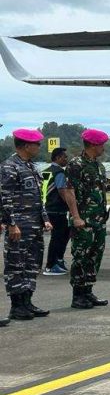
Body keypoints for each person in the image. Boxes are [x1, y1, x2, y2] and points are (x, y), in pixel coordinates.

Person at [1, 129, 53, 321]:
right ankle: (17, 306)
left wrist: (45, 218)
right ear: (25, 146)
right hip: (19, 225)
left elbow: (39, 197)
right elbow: (4, 198)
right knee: (16, 264)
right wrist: (11, 223)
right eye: (36, 144)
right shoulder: (9, 167)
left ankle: (27, 302)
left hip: (35, 225)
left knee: (32, 264)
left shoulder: (31, 167)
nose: (39, 147)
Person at [63, 129, 110, 309]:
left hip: (98, 221)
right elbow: (69, 191)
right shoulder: (76, 164)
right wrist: (76, 217)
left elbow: (98, 188)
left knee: (94, 256)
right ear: (92, 145)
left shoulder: (99, 166)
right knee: (81, 257)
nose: (103, 148)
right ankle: (78, 295)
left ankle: (88, 291)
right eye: (101, 144)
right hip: (83, 220)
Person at [42, 147, 71, 276]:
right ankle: (52, 265)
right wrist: (71, 206)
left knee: (62, 235)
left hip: (47, 208)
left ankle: (57, 261)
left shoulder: (46, 171)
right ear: (58, 158)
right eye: (64, 157)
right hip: (56, 210)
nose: (66, 159)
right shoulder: (59, 172)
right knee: (58, 237)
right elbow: (62, 191)